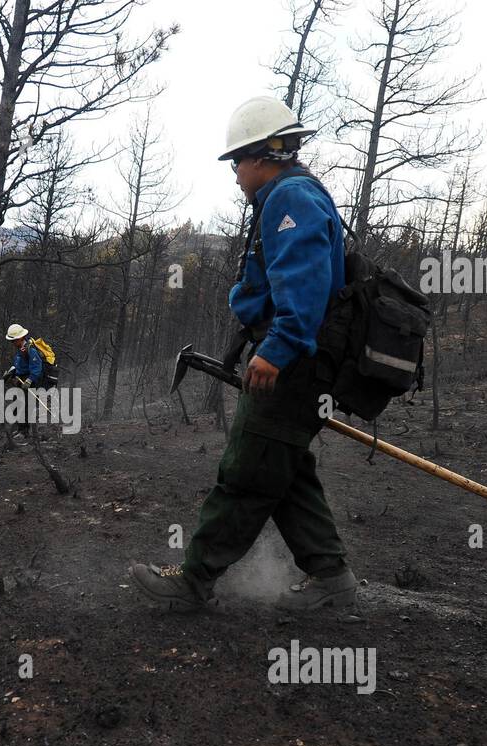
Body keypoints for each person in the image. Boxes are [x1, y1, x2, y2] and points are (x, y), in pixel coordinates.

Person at [131, 96, 356, 613]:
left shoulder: (290, 199)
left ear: (264, 155)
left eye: (238, 161)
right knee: (284, 469)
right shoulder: (292, 195)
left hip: (295, 362)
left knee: (247, 470)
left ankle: (193, 580)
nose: (235, 173)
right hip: (302, 360)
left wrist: (276, 350)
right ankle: (333, 580)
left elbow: (305, 284)